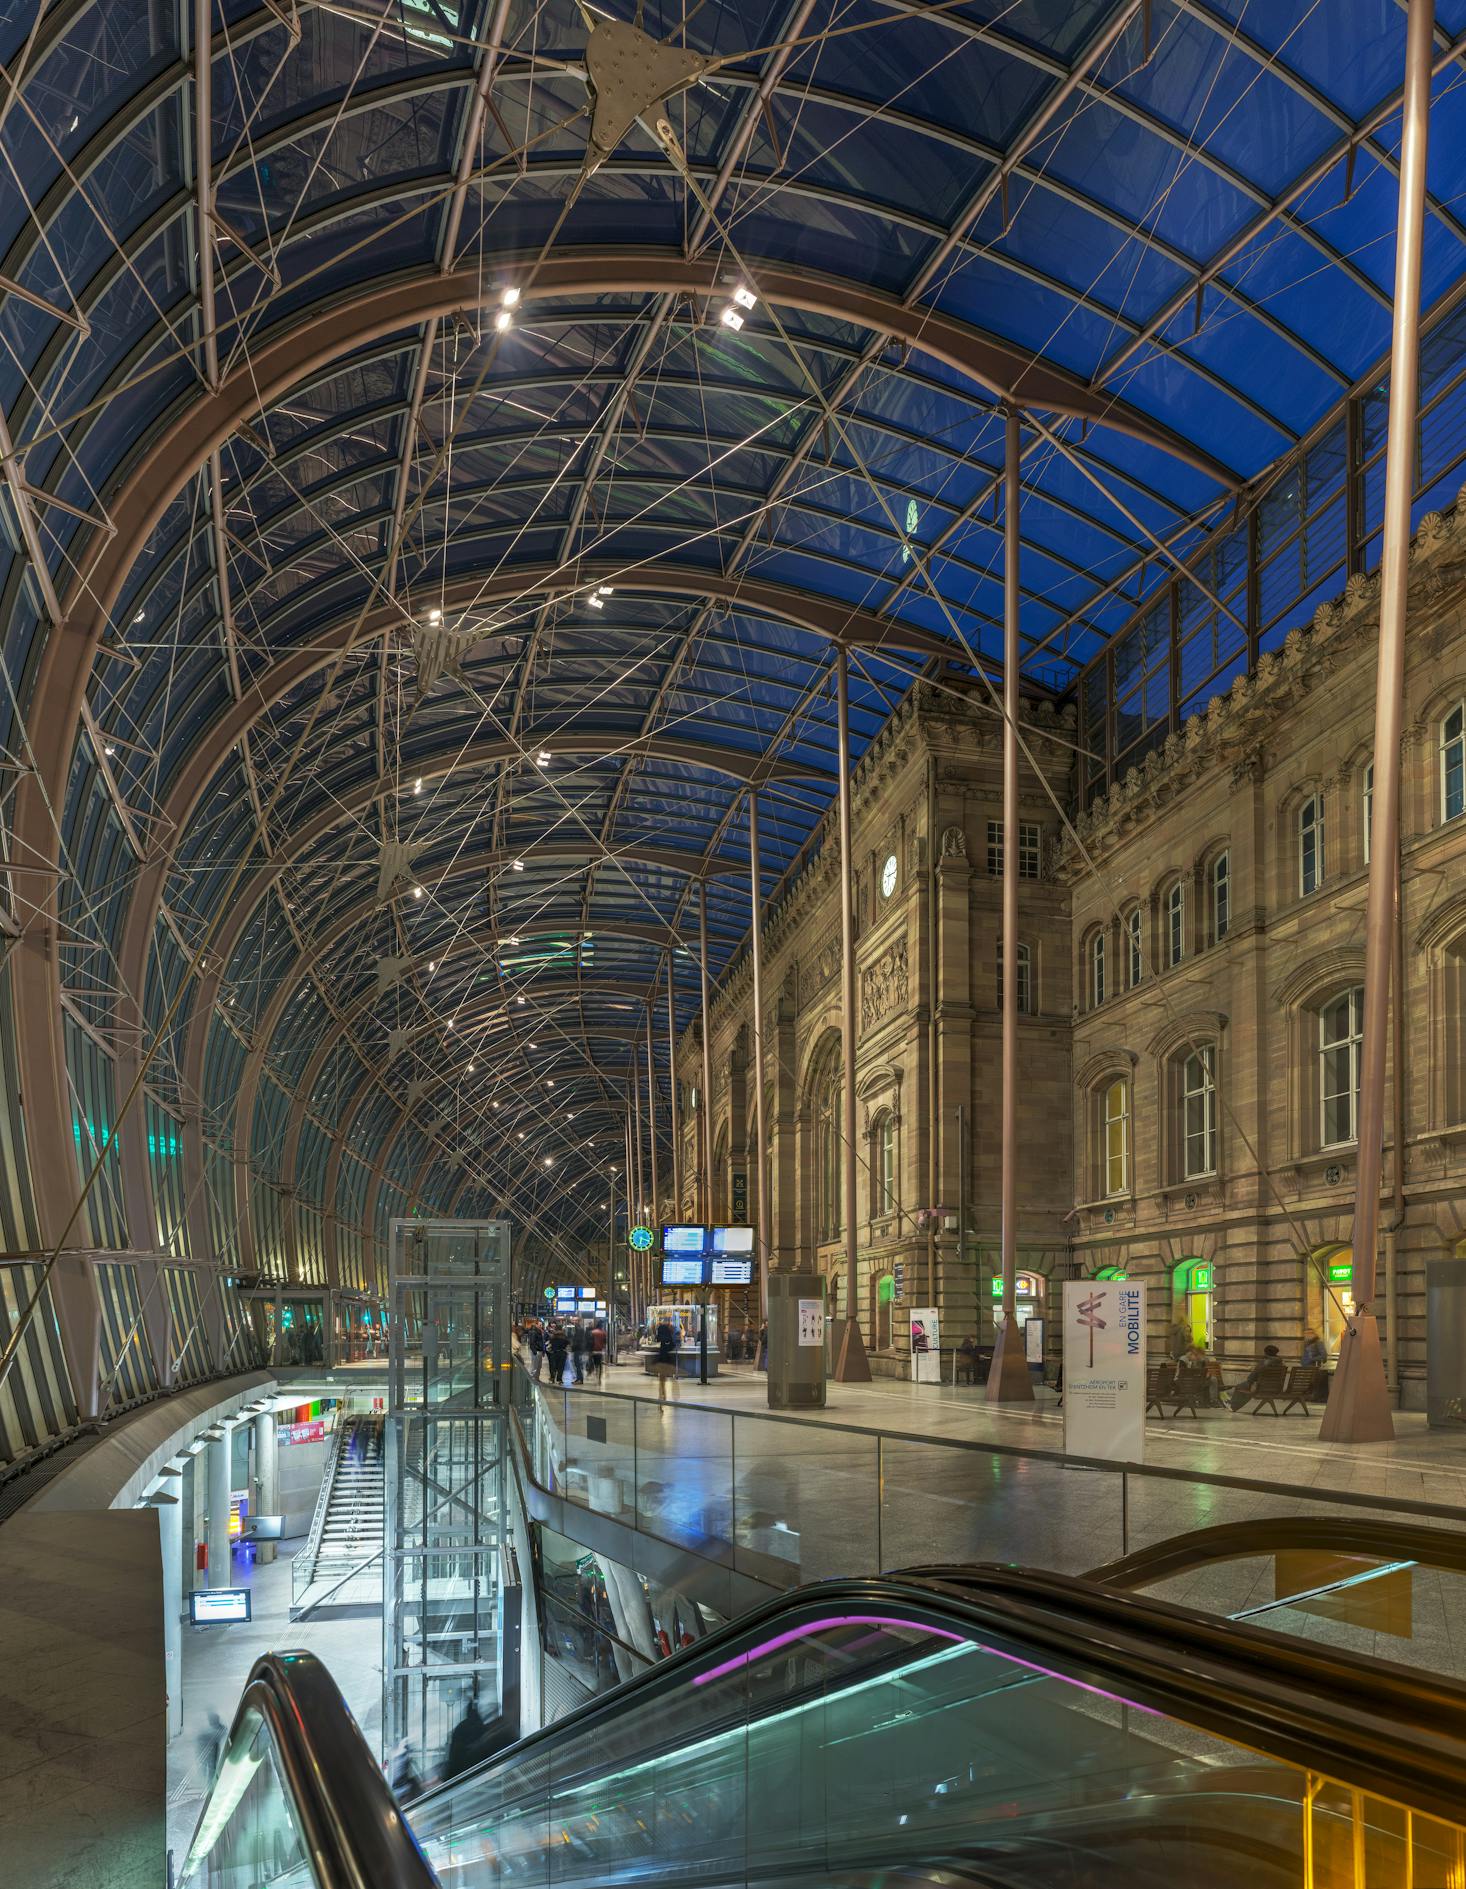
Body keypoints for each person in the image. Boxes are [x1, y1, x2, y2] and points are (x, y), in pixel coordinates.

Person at [1228, 1343, 1282, 1410]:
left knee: (1240, 1387)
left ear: (1266, 1353)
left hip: (1261, 1387)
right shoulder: (1281, 1363)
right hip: (1275, 1387)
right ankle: (1233, 1405)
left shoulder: (1264, 1362)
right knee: (1246, 1387)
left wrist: (1249, 1381)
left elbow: (1253, 1375)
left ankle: (1233, 1406)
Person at [652, 1316, 679, 1407]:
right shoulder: (669, 1337)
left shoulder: (661, 1336)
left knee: (661, 1379)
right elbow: (673, 1346)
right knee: (667, 1379)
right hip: (668, 1361)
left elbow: (658, 1340)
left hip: (661, 1360)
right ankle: (664, 1395)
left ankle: (661, 1395)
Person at [197, 1710, 228, 1785]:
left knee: (210, 1769)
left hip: (211, 1752)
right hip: (212, 1752)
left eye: (210, 1720)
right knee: (211, 1769)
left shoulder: (212, 1731)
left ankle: (210, 1784)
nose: (209, 1721)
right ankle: (211, 1783)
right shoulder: (218, 1729)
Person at [569, 1319, 588, 1385]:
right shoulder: (578, 1330)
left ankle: (580, 1379)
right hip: (578, 1349)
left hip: (578, 1350)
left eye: (575, 1321)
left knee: (578, 1365)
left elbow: (577, 1341)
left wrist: (573, 1346)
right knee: (578, 1365)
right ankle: (578, 1378)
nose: (574, 1322)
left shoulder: (579, 1330)